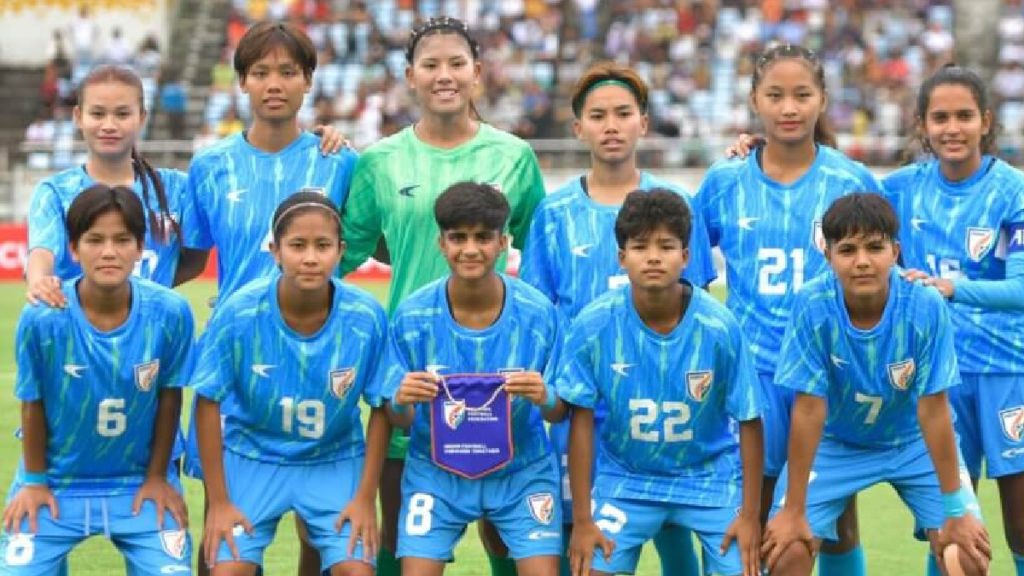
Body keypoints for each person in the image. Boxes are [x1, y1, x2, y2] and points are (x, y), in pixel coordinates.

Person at [338, 16, 546, 576]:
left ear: (478, 72)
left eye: (456, 63)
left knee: (505, 527)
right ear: (410, 76)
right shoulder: (379, 161)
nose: (444, 75)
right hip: (413, 366)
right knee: (400, 522)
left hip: (497, 364)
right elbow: (341, 254)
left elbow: (541, 252)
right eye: (430, 65)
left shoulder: (514, 156)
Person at [519, 61, 716, 576]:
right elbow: (539, 315)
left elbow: (697, 310)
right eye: (598, 115)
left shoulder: (678, 205)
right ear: (577, 127)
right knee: (580, 535)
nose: (611, 125)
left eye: (623, 113)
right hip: (580, 404)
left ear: (643, 123)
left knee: (673, 530)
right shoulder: (554, 213)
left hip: (660, 403)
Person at [179, 20, 357, 576]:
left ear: (308, 81)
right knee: (225, 518)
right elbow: (188, 258)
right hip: (235, 360)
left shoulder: (339, 161)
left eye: (288, 71)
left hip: (318, 352)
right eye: (260, 72)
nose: (274, 83)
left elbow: (362, 245)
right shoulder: (210, 165)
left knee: (318, 525)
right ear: (242, 82)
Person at [695, 43, 881, 576]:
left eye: (802, 95)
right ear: (755, 100)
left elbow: (883, 271)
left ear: (823, 99)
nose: (789, 107)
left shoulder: (849, 180)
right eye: (775, 95)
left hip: (828, 373)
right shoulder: (725, 181)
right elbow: (693, 276)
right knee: (747, 513)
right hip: (751, 374)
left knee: (835, 518)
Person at [761, 193, 991, 576]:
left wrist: (955, 510)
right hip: (836, 443)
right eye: (847, 250)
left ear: (895, 251)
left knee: (966, 557)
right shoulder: (812, 303)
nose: (862, 261)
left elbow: (934, 410)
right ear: (828, 255)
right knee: (786, 554)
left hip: (912, 441)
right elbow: (810, 407)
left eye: (874, 247)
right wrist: (794, 510)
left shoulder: (925, 304)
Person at [557, 189, 763, 576]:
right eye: (640, 246)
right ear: (621, 257)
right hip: (627, 478)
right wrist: (583, 520)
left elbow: (750, 419)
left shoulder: (719, 326)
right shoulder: (593, 324)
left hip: (709, 477)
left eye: (666, 246)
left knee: (746, 569)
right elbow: (580, 418)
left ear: (686, 256)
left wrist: (750, 516)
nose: (653, 257)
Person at [0, 185, 195, 574]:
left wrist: (158, 477)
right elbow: (32, 402)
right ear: (73, 249)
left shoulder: (171, 312)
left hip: (137, 483)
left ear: (140, 248)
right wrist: (34, 482)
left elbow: (170, 398)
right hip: (56, 482)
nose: (109, 252)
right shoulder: (42, 318)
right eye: (95, 240)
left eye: (122, 240)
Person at [193, 191, 389, 576]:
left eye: (323, 246)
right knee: (228, 571)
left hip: (334, 458)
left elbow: (382, 405)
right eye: (298, 245)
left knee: (357, 570)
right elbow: (207, 400)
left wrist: (366, 498)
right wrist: (219, 502)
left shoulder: (366, 315)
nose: (311, 257)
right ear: (275, 251)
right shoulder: (239, 311)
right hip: (253, 455)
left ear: (341, 250)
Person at [883, 65, 1024, 576]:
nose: (952, 128)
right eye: (940, 118)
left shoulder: (1013, 190)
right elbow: (830, 182)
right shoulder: (901, 189)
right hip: (938, 377)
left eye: (964, 116)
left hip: (1008, 370)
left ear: (985, 121)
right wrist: (760, 148)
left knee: (1021, 521)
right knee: (950, 526)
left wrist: (951, 288)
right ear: (922, 125)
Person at [382, 182, 563, 576]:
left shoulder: (539, 314)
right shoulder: (412, 316)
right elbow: (397, 416)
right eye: (458, 237)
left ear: (503, 243)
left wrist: (545, 396)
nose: (470, 249)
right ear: (441, 243)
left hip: (522, 470)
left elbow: (561, 409)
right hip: (435, 471)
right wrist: (400, 400)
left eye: (483, 237)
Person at [25, 64, 205, 307]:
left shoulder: (178, 189)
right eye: (97, 114)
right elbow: (42, 252)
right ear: (78, 117)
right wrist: (39, 281)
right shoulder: (55, 192)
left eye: (122, 114)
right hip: (76, 329)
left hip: (153, 329)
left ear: (142, 118)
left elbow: (195, 259)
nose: (109, 125)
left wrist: (144, 294)